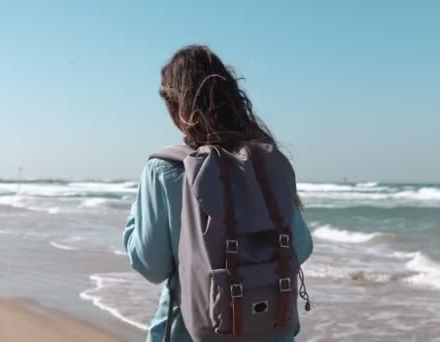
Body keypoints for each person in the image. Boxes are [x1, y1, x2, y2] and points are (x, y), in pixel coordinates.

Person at [123, 45, 313, 342]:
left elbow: (150, 264)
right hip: (270, 330)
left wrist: (135, 218)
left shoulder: (166, 168)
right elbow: (300, 248)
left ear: (175, 105)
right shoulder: (265, 163)